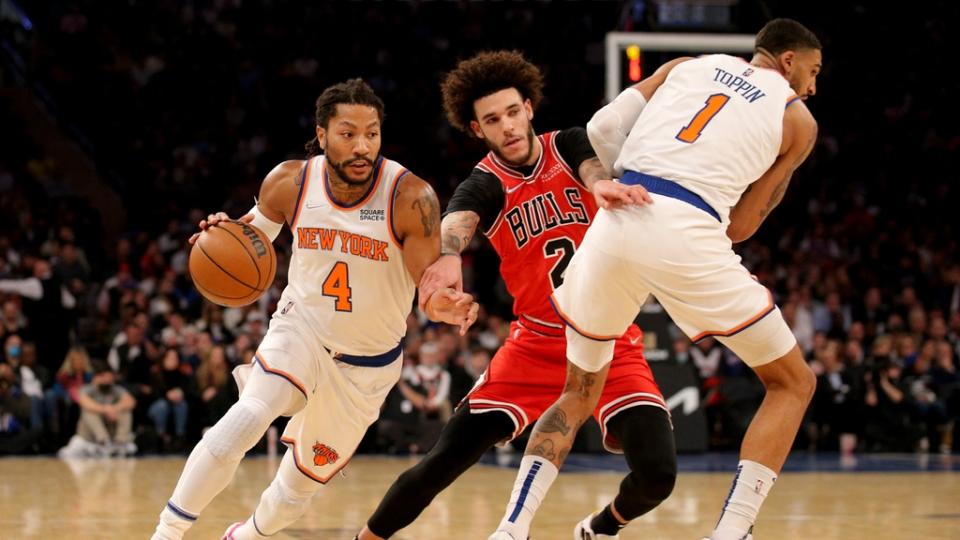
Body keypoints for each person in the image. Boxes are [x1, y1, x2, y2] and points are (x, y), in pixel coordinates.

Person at [488, 19, 822, 540]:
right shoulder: (798, 119)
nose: (813, 85)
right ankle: (732, 531)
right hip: (688, 228)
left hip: (616, 220)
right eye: (813, 70)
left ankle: (511, 529)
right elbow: (742, 224)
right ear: (787, 61)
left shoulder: (683, 66)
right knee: (793, 382)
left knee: (577, 391)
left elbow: (599, 129)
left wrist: (628, 182)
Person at [357, 50, 676, 540]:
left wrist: (602, 187)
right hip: (535, 346)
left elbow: (590, 168)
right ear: (476, 129)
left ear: (528, 107)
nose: (506, 126)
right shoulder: (485, 182)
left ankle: (599, 527)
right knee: (441, 464)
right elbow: (457, 224)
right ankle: (368, 537)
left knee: (658, 476)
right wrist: (445, 259)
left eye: (511, 112)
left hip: (609, 339)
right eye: (491, 120)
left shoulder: (567, 144)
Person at [150, 78, 478, 540]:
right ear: (322, 135)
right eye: (348, 133)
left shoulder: (410, 197)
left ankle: (245, 536)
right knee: (248, 415)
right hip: (302, 329)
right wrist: (223, 233)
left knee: (292, 496)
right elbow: (252, 236)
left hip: (367, 366)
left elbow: (428, 287)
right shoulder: (290, 181)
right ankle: (165, 533)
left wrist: (445, 304)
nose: (363, 145)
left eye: (372, 133)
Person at [57, 361, 137, 458]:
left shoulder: (116, 389)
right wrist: (106, 409)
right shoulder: (87, 389)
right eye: (103, 376)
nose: (107, 379)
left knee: (125, 411)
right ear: (96, 377)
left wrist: (114, 409)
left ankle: (120, 443)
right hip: (89, 437)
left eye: (109, 377)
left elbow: (131, 402)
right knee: (89, 412)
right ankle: (103, 442)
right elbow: (85, 403)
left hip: (112, 434)